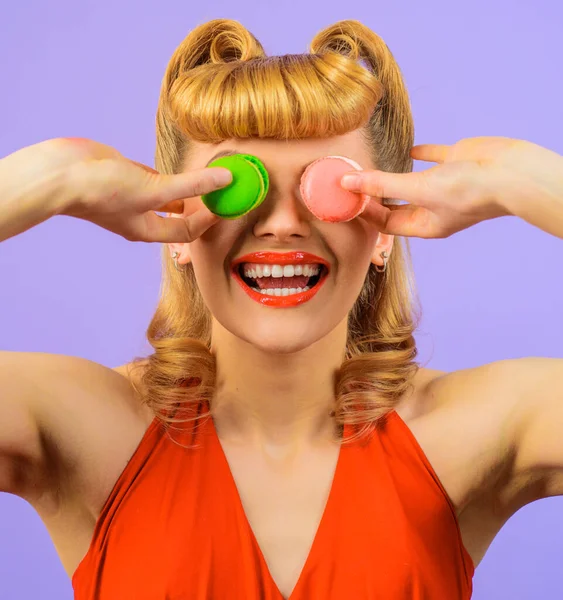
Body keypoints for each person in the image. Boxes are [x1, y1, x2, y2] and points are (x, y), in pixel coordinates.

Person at [1, 18, 562, 600]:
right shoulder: (89, 431)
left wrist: (539, 184)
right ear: (172, 223)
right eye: (236, 186)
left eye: (332, 189)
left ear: (385, 232)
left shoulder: (472, 434)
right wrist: (47, 177)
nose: (283, 225)